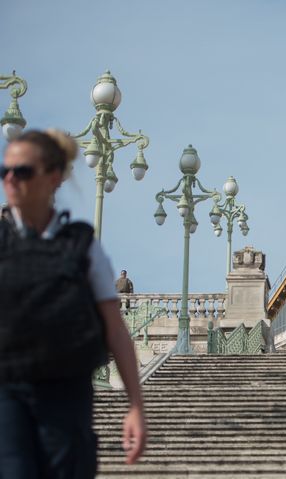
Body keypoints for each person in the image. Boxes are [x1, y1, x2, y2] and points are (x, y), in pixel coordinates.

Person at [0, 130, 147, 476]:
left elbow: (116, 331)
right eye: (4, 171)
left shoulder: (81, 247)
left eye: (22, 171)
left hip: (65, 393)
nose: (10, 179)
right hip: (7, 390)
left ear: (53, 177)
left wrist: (136, 406)